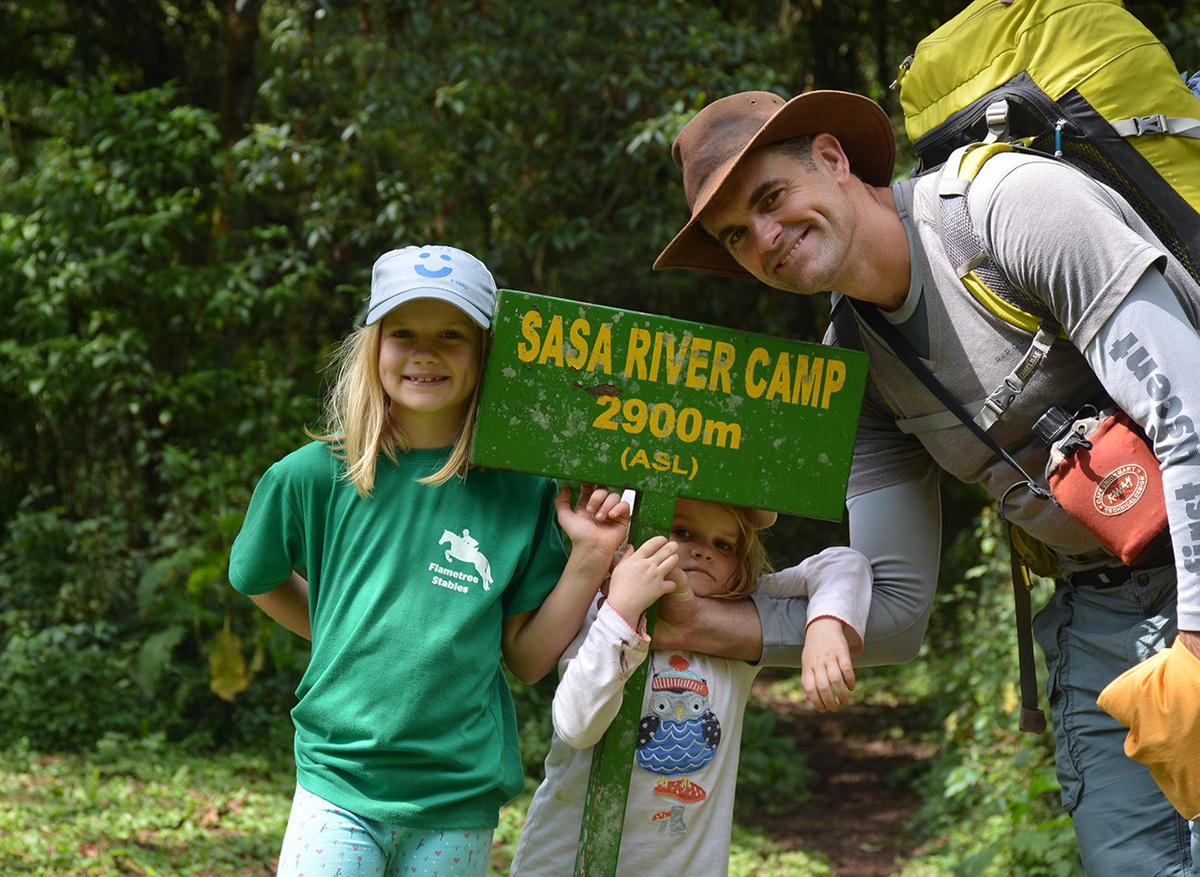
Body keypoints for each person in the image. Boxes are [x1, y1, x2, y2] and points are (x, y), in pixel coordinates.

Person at [649, 89, 1200, 875]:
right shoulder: (859, 364)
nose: (765, 238)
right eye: (737, 234)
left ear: (834, 160)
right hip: (1102, 607)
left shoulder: (1010, 208)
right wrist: (688, 620)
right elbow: (896, 609)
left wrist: (1195, 637)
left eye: (772, 198)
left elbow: (1190, 408)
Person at [228, 245, 633, 877]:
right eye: (404, 333)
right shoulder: (310, 476)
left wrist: (590, 555)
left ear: (484, 354)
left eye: (451, 334)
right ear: (374, 347)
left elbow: (526, 659)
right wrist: (336, 630)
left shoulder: (524, 492)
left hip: (456, 796)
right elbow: (256, 576)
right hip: (340, 780)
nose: (426, 352)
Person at [510, 496, 872, 875]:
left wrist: (825, 625)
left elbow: (845, 562)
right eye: (682, 532)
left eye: (724, 545)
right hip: (565, 861)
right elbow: (576, 727)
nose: (703, 551)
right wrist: (621, 613)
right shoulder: (600, 610)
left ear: (740, 567)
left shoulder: (739, 611)